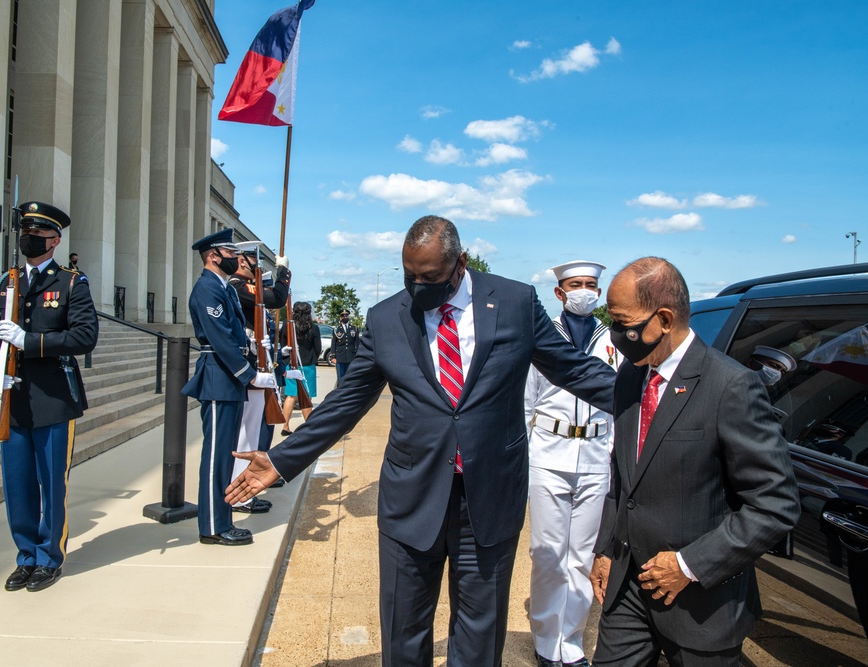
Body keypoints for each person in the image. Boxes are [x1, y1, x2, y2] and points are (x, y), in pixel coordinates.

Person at [227, 215, 616, 667]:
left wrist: (649, 398)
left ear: (460, 263)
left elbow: (574, 369)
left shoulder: (514, 302)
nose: (418, 287)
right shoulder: (387, 317)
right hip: (410, 500)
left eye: (430, 277)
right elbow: (348, 401)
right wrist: (280, 459)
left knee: (479, 631)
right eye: (409, 275)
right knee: (404, 628)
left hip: (488, 499)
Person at [589, 257, 800, 667]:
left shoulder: (731, 386)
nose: (616, 336)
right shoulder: (631, 377)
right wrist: (605, 551)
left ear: (664, 319)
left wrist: (689, 565)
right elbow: (623, 477)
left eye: (622, 322)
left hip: (702, 603)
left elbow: (776, 504)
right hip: (628, 591)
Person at [0, 202, 98, 592]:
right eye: (24, 231)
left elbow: (85, 337)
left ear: (54, 240)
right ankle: (25, 555)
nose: (28, 238)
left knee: (51, 481)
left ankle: (50, 557)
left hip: (53, 397)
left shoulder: (70, 283)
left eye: (37, 233)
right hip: (12, 399)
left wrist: (29, 342)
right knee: (18, 484)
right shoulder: (4, 284)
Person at [524, 260, 619, 667]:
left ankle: (572, 640)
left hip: (597, 455)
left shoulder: (615, 338)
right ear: (560, 293)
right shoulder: (543, 338)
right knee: (547, 551)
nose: (585, 290)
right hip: (548, 452)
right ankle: (547, 640)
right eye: (576, 284)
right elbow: (525, 402)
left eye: (592, 284)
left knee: (581, 555)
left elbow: (622, 404)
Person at [181, 228, 277, 546]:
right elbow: (219, 337)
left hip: (227, 377)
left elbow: (235, 333)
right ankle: (212, 525)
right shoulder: (207, 288)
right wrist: (249, 374)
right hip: (218, 377)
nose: (236, 258)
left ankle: (221, 520)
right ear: (213, 256)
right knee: (216, 455)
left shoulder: (224, 288)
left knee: (225, 453)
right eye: (230, 253)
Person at [228, 242, 290, 512]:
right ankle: (241, 493)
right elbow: (276, 297)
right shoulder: (237, 286)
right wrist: (283, 272)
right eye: (254, 260)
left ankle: (246, 489)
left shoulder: (241, 286)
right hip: (248, 370)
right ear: (242, 262)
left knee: (253, 435)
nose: (257, 266)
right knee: (246, 437)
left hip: (258, 367)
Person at [281, 301, 321, 435]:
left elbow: (282, 345)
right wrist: (311, 358)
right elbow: (318, 348)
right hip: (307, 365)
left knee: (291, 396)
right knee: (306, 396)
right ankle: (308, 428)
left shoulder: (288, 326)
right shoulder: (313, 328)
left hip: (292, 365)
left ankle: (285, 426)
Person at [332, 308, 359, 383]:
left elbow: (357, 343)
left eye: (346, 315)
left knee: (350, 378)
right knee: (340, 378)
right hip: (340, 357)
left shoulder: (354, 328)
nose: (345, 317)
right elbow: (334, 343)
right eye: (343, 315)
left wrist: (358, 356)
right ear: (340, 317)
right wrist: (333, 356)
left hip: (351, 357)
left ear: (348, 316)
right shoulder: (336, 329)